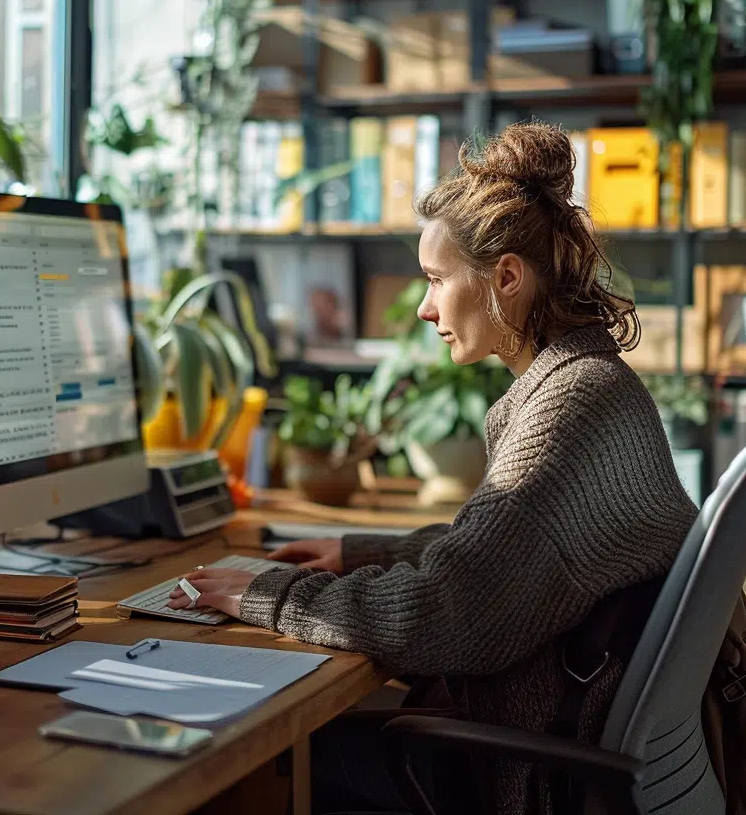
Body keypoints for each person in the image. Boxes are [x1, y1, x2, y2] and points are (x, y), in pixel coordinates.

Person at [168, 121, 698, 813]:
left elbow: (448, 616)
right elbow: (509, 557)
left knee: (253, 759)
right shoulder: (587, 382)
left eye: (436, 279)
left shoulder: (565, 409)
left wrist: (265, 594)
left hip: (522, 773)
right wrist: (357, 552)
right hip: (559, 732)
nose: (423, 307)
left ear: (506, 277)